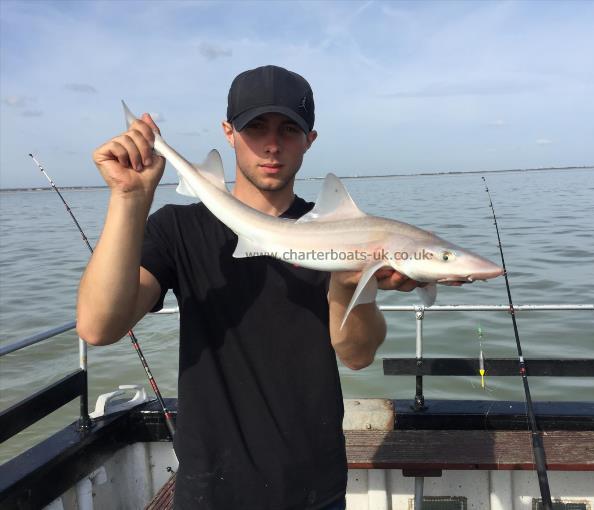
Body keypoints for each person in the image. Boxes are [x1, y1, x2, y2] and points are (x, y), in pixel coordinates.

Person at [77, 65, 422, 510]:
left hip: (315, 487)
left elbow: (357, 355)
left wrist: (349, 285)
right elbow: (97, 326)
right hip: (210, 489)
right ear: (229, 131)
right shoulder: (179, 229)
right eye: (255, 127)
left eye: (289, 129)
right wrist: (128, 199)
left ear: (309, 140)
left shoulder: (338, 235)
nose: (272, 144)